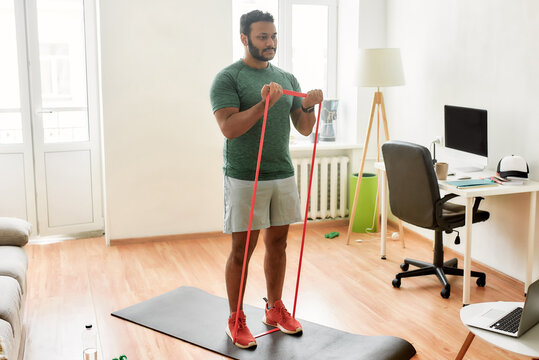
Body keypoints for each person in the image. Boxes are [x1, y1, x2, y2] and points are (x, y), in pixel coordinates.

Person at [210, 10, 323, 349]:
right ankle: (236, 318)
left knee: (279, 244)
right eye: (262, 37)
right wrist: (263, 104)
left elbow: (303, 128)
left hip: (281, 173)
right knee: (242, 251)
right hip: (245, 177)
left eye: (273, 36)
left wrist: (311, 107)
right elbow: (229, 129)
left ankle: (274, 309)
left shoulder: (286, 77)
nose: (270, 43)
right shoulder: (228, 79)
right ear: (244, 38)